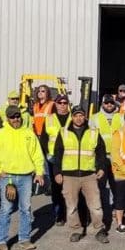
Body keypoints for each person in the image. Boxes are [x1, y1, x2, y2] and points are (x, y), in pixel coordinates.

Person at [0, 105, 45, 250]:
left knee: (25, 209)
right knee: (6, 209)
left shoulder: (28, 134)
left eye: (18, 116)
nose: (16, 119)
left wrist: (39, 172)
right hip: (8, 177)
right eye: (12, 117)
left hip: (26, 177)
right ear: (7, 118)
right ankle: (1, 240)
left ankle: (24, 239)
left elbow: (37, 155)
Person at [51, 105, 109, 243]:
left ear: (85, 116)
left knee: (95, 205)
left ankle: (99, 230)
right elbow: (57, 154)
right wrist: (57, 172)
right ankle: (76, 230)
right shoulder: (63, 132)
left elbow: (101, 152)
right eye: (76, 115)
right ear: (72, 117)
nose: (79, 118)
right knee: (71, 206)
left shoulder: (93, 132)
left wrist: (101, 168)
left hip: (89, 175)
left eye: (81, 115)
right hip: (69, 176)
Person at [40, 94, 72, 225]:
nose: (62, 105)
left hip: (71, 157)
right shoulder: (49, 119)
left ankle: (70, 214)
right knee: (56, 188)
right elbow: (43, 139)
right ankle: (59, 214)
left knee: (71, 187)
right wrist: (46, 154)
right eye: (60, 103)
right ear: (56, 104)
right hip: (54, 158)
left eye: (65, 103)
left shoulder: (74, 117)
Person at [91, 94, 124, 217]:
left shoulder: (121, 117)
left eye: (111, 103)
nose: (109, 105)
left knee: (117, 186)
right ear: (102, 104)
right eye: (106, 103)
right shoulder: (94, 118)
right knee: (99, 185)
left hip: (117, 157)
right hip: (101, 158)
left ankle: (117, 209)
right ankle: (99, 210)